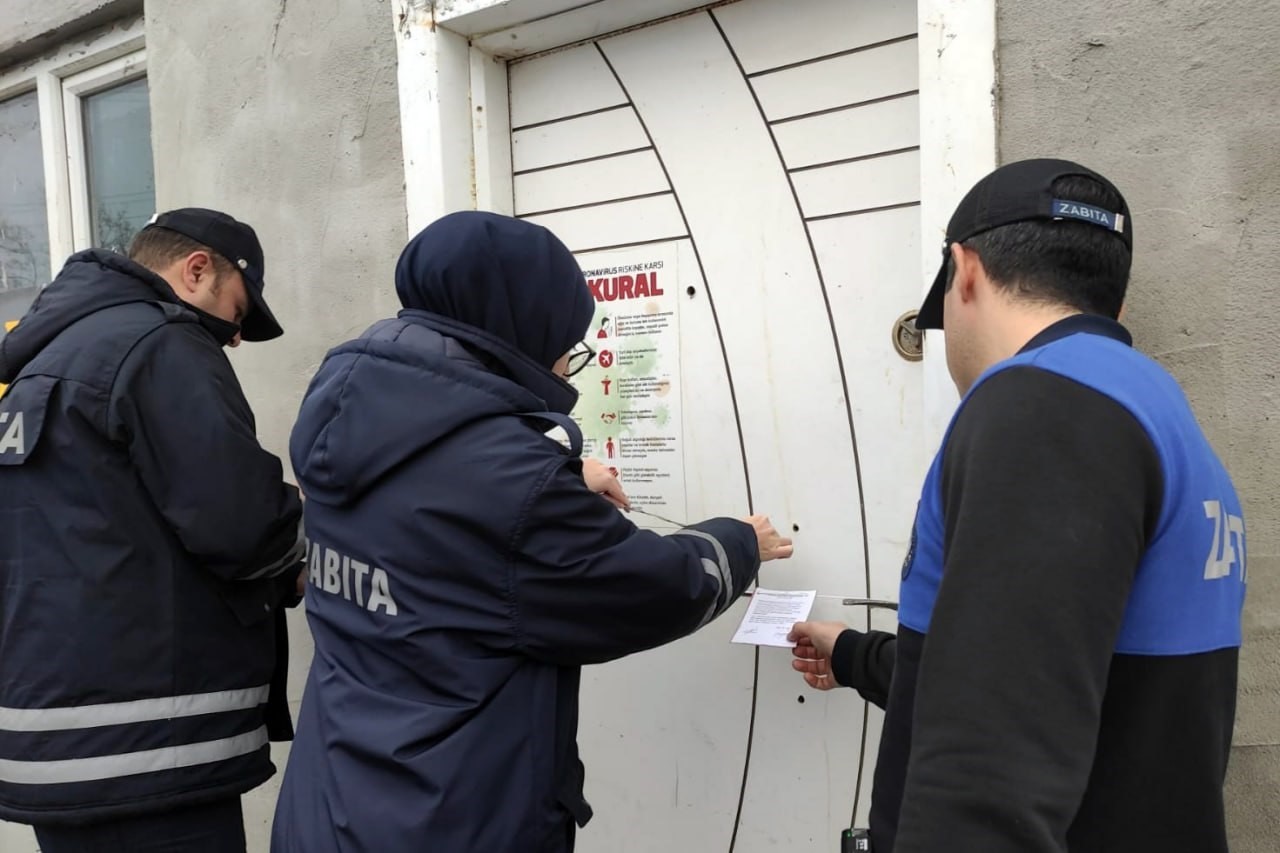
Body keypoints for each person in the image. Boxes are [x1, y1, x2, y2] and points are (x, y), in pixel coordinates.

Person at [271, 211, 792, 853]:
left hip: (331, 804)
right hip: (452, 819)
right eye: (565, 340)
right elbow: (653, 589)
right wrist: (739, 541)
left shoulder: (350, 416)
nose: (566, 360)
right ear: (522, 327)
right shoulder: (509, 482)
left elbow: (439, 533)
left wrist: (555, 476)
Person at [790, 159, 1246, 853]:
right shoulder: (1152, 410)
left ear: (963, 270)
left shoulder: (1039, 406)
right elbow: (1030, 674)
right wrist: (851, 652)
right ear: (1114, 305)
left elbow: (988, 778)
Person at [0, 209, 306, 852]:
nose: (236, 339)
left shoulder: (39, 366)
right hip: (150, 747)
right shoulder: (159, 342)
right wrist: (303, 545)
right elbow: (240, 523)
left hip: (56, 734)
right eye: (239, 312)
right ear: (197, 270)